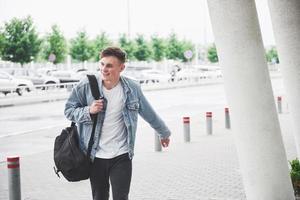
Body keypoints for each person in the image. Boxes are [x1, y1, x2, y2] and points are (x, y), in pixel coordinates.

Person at [64, 46, 171, 200]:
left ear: (122, 68)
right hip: (95, 155)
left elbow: (148, 112)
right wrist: (89, 110)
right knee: (99, 197)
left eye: (109, 65)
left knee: (121, 197)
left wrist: (164, 132)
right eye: (102, 64)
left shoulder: (132, 89)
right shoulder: (86, 85)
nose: (104, 69)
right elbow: (68, 110)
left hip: (122, 155)